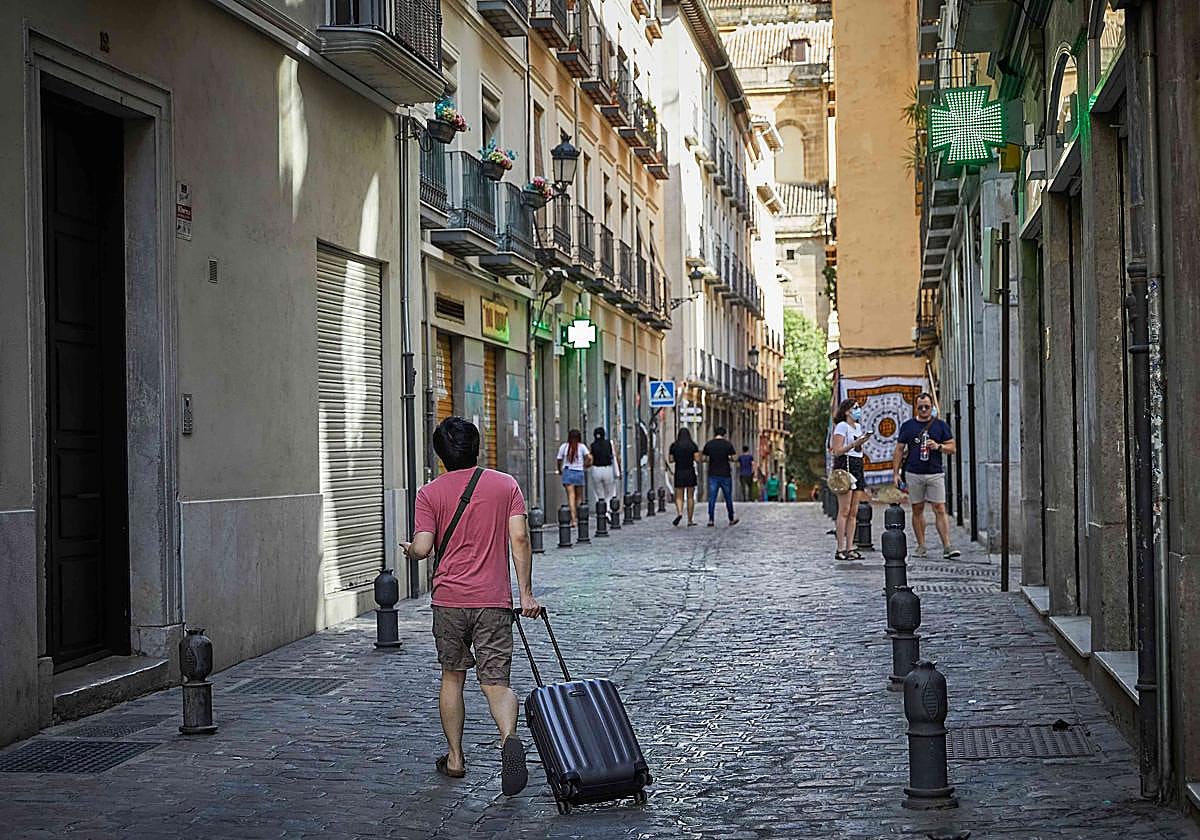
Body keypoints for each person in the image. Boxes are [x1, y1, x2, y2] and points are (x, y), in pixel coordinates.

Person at [401, 417, 541, 796]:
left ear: (440, 455)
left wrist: (410, 550)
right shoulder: (505, 485)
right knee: (496, 682)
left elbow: (424, 546)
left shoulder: (429, 493)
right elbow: (520, 539)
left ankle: (456, 758)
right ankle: (509, 738)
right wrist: (525, 594)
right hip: (494, 600)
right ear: (477, 447)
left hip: (449, 601)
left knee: (452, 676)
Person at [893, 392, 961, 559]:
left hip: (935, 472)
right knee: (917, 508)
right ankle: (921, 545)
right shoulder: (908, 426)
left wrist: (938, 447)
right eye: (920, 407)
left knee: (940, 508)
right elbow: (899, 449)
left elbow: (952, 448)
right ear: (916, 408)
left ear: (932, 407)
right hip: (913, 472)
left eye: (927, 407)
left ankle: (947, 545)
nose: (924, 409)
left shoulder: (941, 426)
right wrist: (895, 473)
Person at [830, 398, 872, 561]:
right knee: (844, 510)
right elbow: (837, 450)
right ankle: (840, 547)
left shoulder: (858, 427)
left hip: (857, 465)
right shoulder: (842, 426)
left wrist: (861, 442)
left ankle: (850, 547)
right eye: (855, 408)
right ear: (847, 411)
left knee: (854, 511)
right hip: (845, 466)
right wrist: (854, 443)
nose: (858, 411)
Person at [702, 426, 739, 527]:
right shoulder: (727, 445)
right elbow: (734, 458)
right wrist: (729, 458)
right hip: (725, 474)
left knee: (712, 498)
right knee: (728, 497)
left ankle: (711, 519)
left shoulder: (709, 444)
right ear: (724, 434)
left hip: (713, 474)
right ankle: (731, 518)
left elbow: (704, 458)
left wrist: (711, 459)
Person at [555, 429, 592, 526]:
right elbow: (589, 457)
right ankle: (580, 517)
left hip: (568, 471)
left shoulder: (564, 447)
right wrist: (586, 465)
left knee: (571, 496)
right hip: (579, 472)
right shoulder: (582, 447)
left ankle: (573, 519)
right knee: (579, 497)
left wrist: (559, 470)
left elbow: (559, 459)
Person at [668, 427, 700, 526]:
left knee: (679, 496)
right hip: (690, 471)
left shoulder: (674, 446)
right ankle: (690, 520)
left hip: (679, 472)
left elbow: (671, 460)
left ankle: (680, 513)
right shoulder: (693, 445)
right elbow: (697, 459)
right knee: (690, 496)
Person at [588, 427, 620, 509]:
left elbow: (590, 458)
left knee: (598, 493)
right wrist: (618, 471)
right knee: (609, 492)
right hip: (607, 469)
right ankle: (608, 510)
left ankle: (600, 510)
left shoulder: (592, 445)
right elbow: (614, 456)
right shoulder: (609, 443)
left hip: (596, 470)